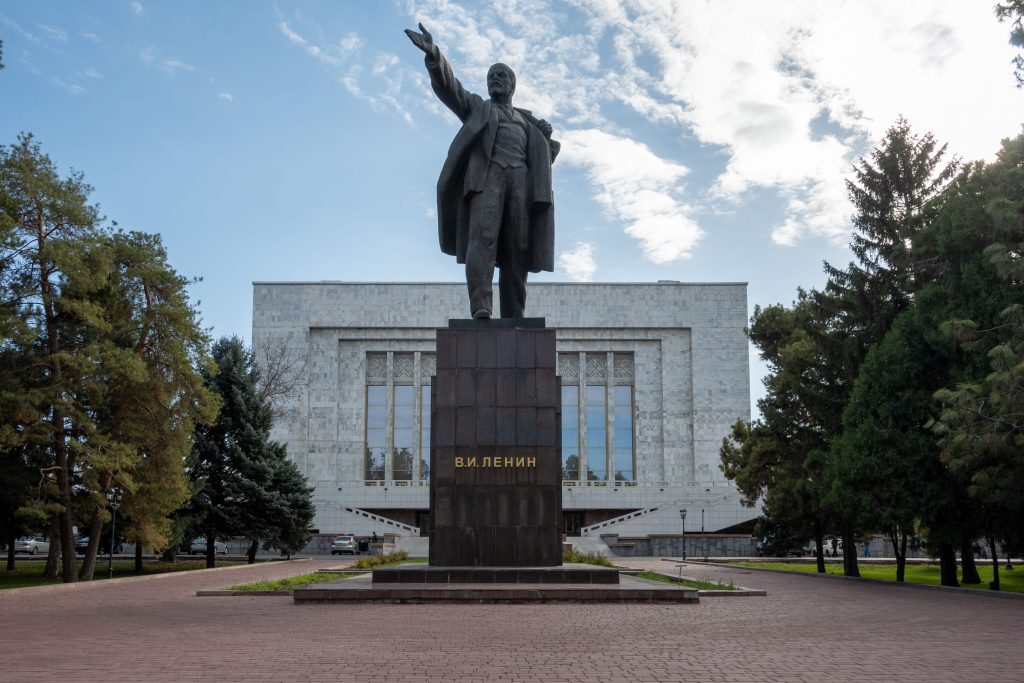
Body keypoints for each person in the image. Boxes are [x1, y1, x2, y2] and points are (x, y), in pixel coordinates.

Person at [405, 23, 560, 319]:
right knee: (483, 240)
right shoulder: (479, 108)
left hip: (521, 182)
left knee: (518, 248)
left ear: (512, 85)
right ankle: (481, 306)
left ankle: (514, 314)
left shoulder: (528, 122)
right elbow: (453, 91)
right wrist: (435, 57)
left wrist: (545, 139)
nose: (494, 80)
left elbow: (544, 162)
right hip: (488, 179)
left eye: (500, 76)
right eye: (490, 77)